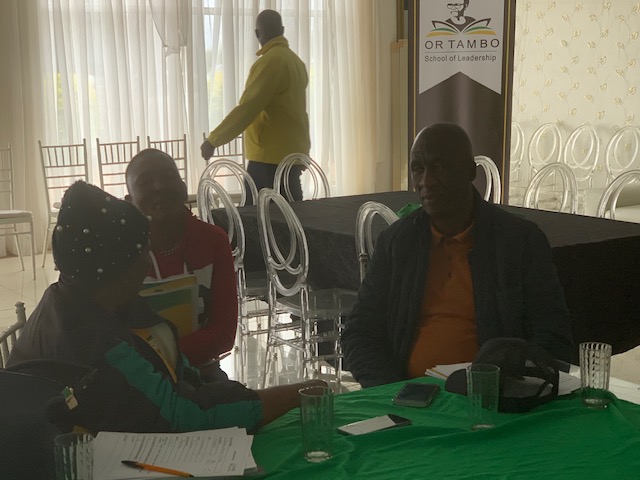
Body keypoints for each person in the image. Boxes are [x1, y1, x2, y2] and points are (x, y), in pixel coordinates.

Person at [7, 181, 323, 433]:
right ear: (119, 270)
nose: (148, 264)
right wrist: (301, 394)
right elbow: (186, 419)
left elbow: (172, 365)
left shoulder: (76, 298)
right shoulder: (92, 343)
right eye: (143, 252)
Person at [341, 123, 573, 388]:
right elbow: (359, 332)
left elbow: (553, 338)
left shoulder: (519, 243)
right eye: (418, 168)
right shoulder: (397, 243)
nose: (426, 181)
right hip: (407, 395)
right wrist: (392, 391)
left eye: (439, 167)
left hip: (491, 396)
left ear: (470, 172)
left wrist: (501, 382)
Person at [124, 148, 237, 382]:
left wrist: (156, 356)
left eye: (167, 177)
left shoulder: (214, 241)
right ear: (129, 201)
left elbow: (224, 334)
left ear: (184, 188)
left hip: (201, 373)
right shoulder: (122, 252)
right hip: (141, 379)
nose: (158, 187)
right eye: (145, 182)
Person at [200, 9, 310, 203]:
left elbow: (248, 109)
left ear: (257, 33)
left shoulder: (269, 62)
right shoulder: (296, 62)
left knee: (257, 216)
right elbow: (298, 112)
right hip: (293, 155)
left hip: (268, 158)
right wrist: (303, 152)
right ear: (282, 30)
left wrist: (213, 140)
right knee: (293, 215)